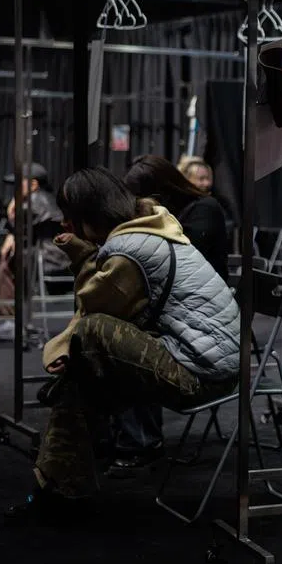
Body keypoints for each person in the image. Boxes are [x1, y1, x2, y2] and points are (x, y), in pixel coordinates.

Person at [4, 168, 239, 523]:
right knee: (81, 381)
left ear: (89, 214)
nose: (65, 223)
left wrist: (81, 257)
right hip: (205, 357)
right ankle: (59, 489)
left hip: (204, 373)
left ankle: (61, 486)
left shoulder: (129, 249)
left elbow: (95, 305)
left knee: (93, 334)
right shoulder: (150, 226)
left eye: (71, 217)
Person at [111, 154, 233, 473]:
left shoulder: (204, 210)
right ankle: (124, 436)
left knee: (125, 343)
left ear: (159, 194)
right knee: (118, 333)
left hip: (203, 330)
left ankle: (141, 440)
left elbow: (170, 265)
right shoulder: (178, 215)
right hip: (187, 319)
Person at [0, 163, 69, 341]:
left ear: (33, 185)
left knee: (7, 263)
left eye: (19, 184)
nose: (15, 190)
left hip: (47, 261)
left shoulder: (34, 202)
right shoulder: (49, 199)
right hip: (59, 259)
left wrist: (12, 207)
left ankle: (12, 321)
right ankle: (14, 318)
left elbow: (16, 226)